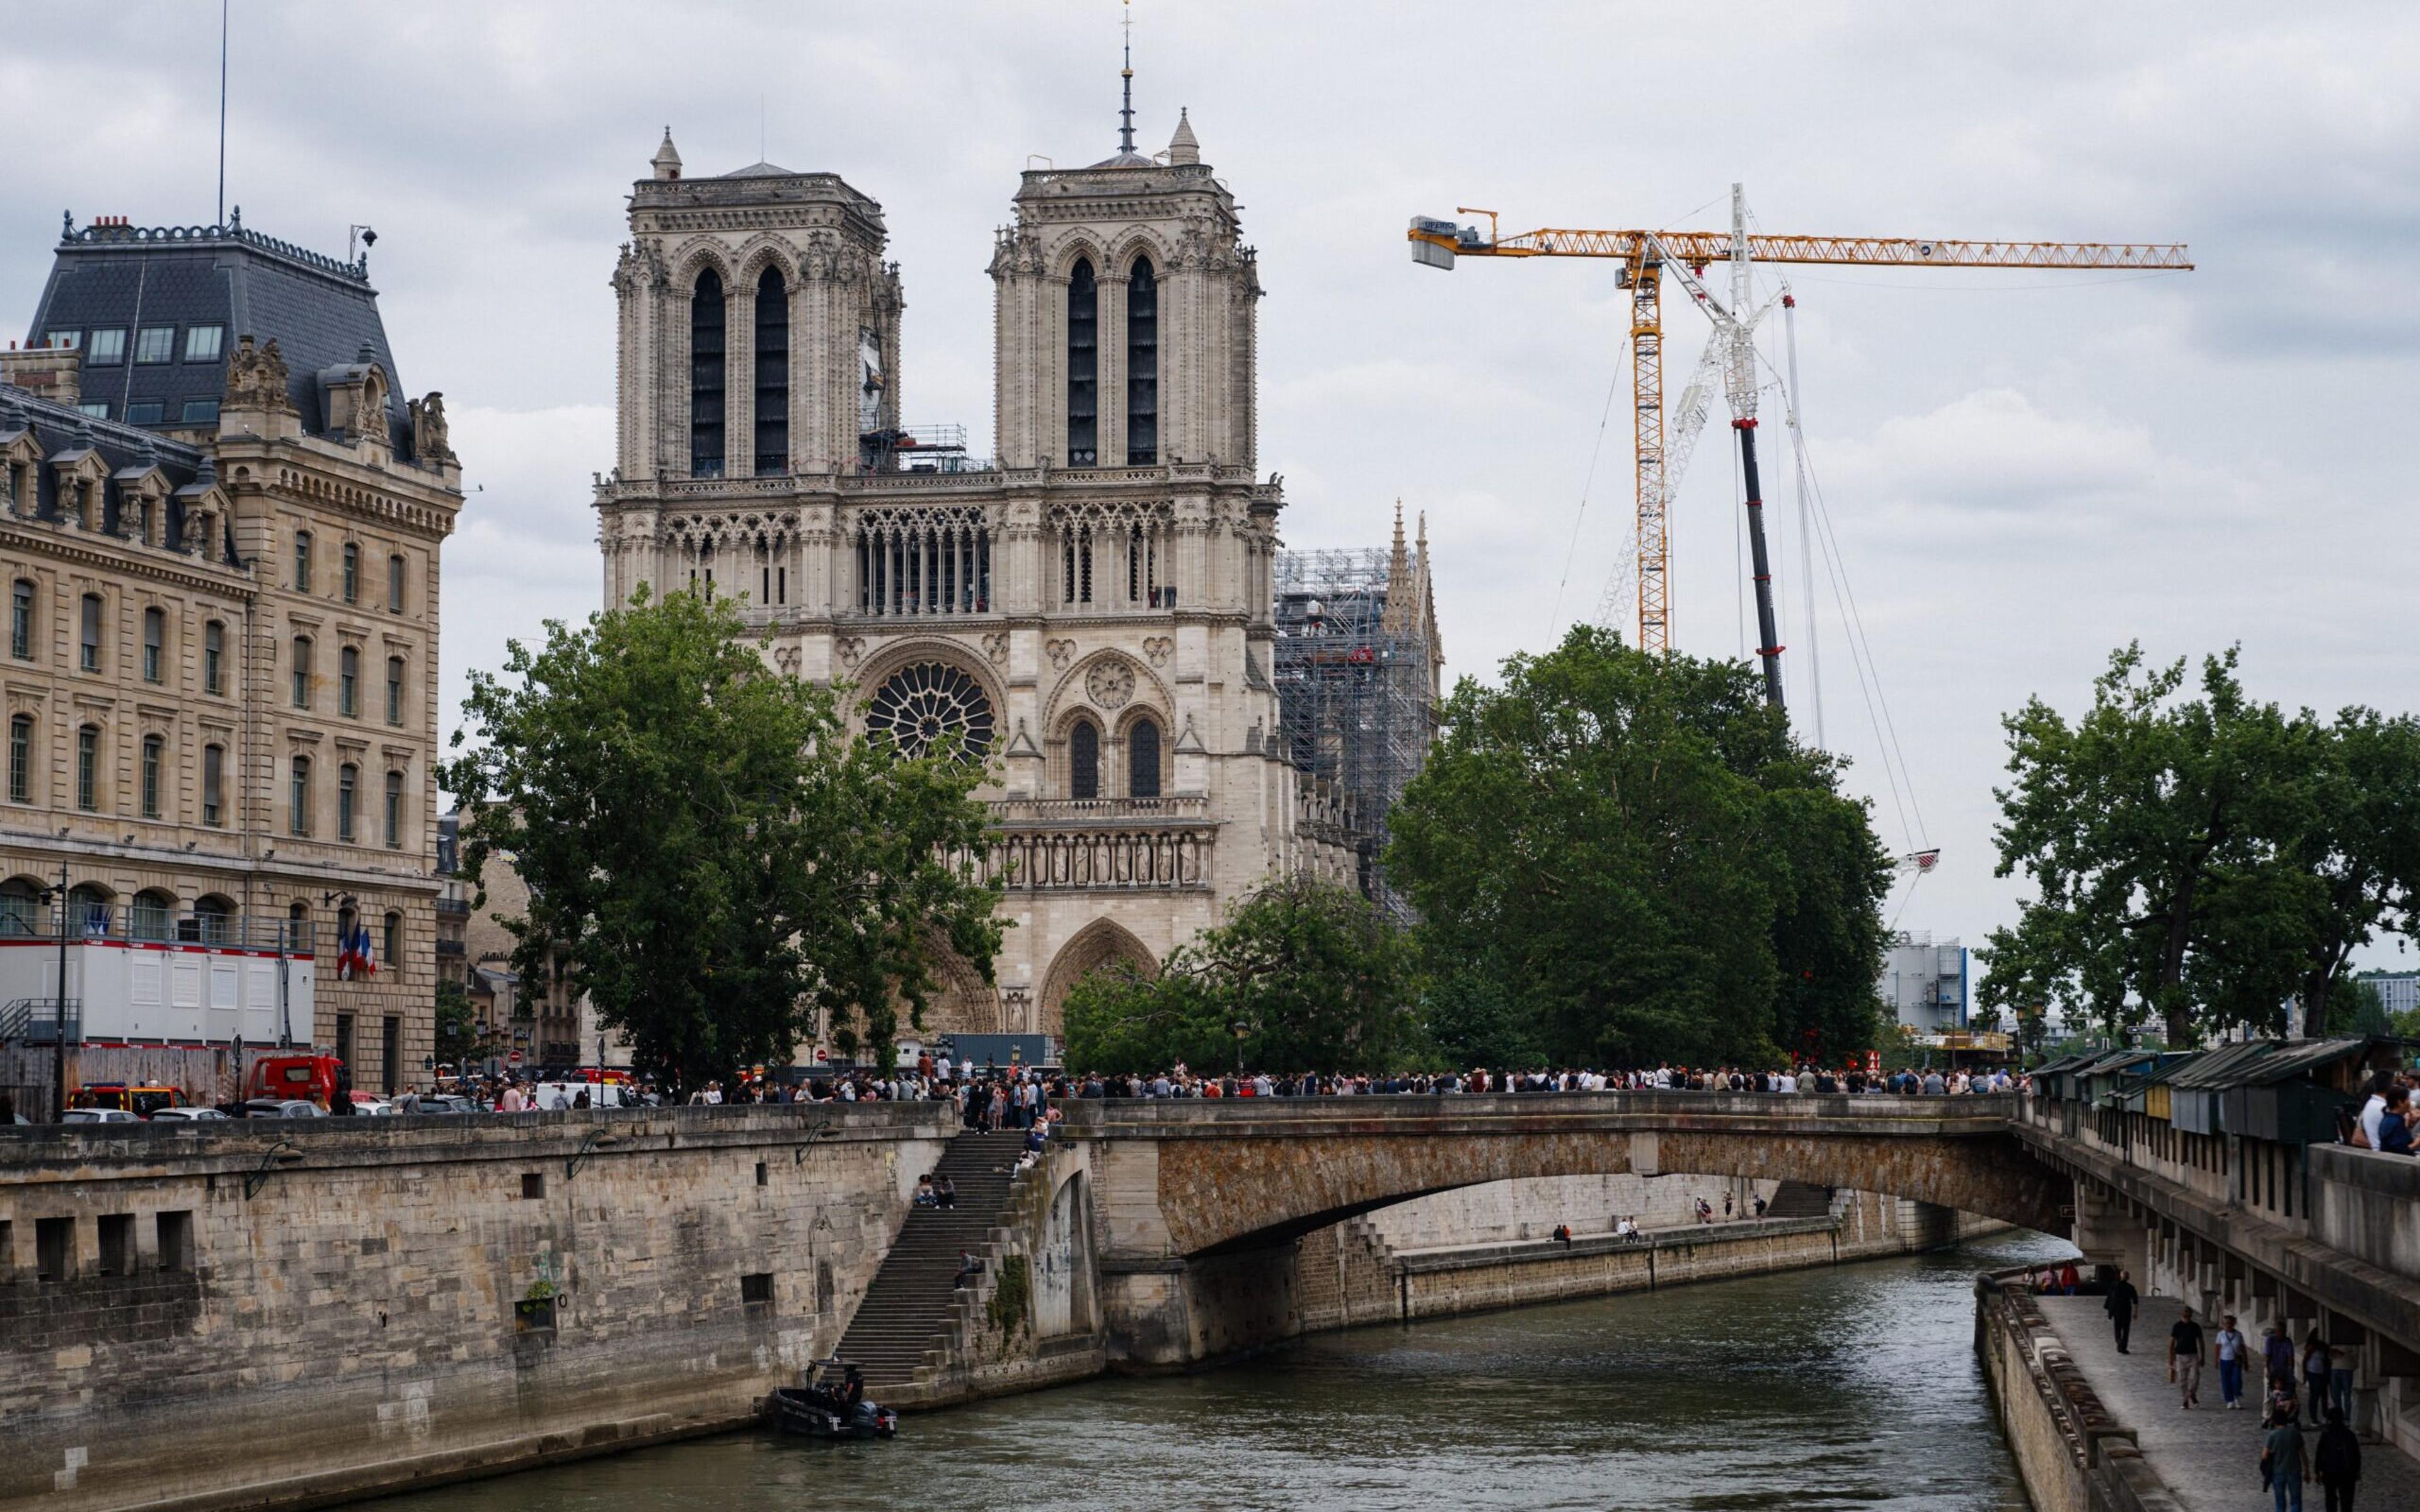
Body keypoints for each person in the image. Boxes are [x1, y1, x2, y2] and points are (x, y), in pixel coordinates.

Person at [2313, 1405, 2361, 1512]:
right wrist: (2357, 1470)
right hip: (2347, 1472)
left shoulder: (2326, 1435)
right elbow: (2356, 1454)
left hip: (2330, 1471)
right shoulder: (2350, 1435)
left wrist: (2317, 1471)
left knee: (2330, 1499)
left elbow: (2319, 1453)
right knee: (2347, 1502)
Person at [2266, 1409, 2309, 1512]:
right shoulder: (2295, 1433)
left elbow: (2265, 1455)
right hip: (2294, 1470)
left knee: (2280, 1501)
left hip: (2278, 1471)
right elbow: (2303, 1454)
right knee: (2296, 1501)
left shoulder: (2273, 1435)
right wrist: (2307, 1470)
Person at [2169, 1304, 2205, 1409]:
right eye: (2185, 1312)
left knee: (2195, 1378)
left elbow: (2201, 1342)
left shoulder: (2196, 1327)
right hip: (2180, 1355)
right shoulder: (2177, 1326)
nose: (2187, 1314)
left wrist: (2203, 1356)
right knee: (2182, 1380)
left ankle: (2190, 1394)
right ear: (2182, 1313)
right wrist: (2171, 1358)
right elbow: (2172, 1343)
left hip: (2193, 1355)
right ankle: (2186, 1400)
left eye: (2188, 1312)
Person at [2216, 1314, 2249, 1409]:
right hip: (2224, 1360)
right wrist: (2216, 1359)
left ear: (2234, 1323)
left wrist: (2246, 1361)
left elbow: (2243, 1348)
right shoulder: (2221, 1335)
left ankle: (2236, 1397)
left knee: (2236, 1380)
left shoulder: (2239, 1335)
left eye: (2230, 1323)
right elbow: (2218, 1347)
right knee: (2226, 1381)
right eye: (2226, 1324)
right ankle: (2230, 1400)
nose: (2228, 1325)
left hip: (2236, 1360)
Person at [2104, 1268, 2140, 1354]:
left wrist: (2109, 1310)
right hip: (2126, 1310)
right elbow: (2135, 1301)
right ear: (2128, 1278)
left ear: (2121, 1277)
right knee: (2126, 1330)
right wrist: (2135, 1313)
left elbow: (2109, 1298)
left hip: (2117, 1311)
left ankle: (2119, 1341)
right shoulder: (2130, 1287)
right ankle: (2123, 1347)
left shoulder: (2114, 1286)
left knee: (2118, 1328)